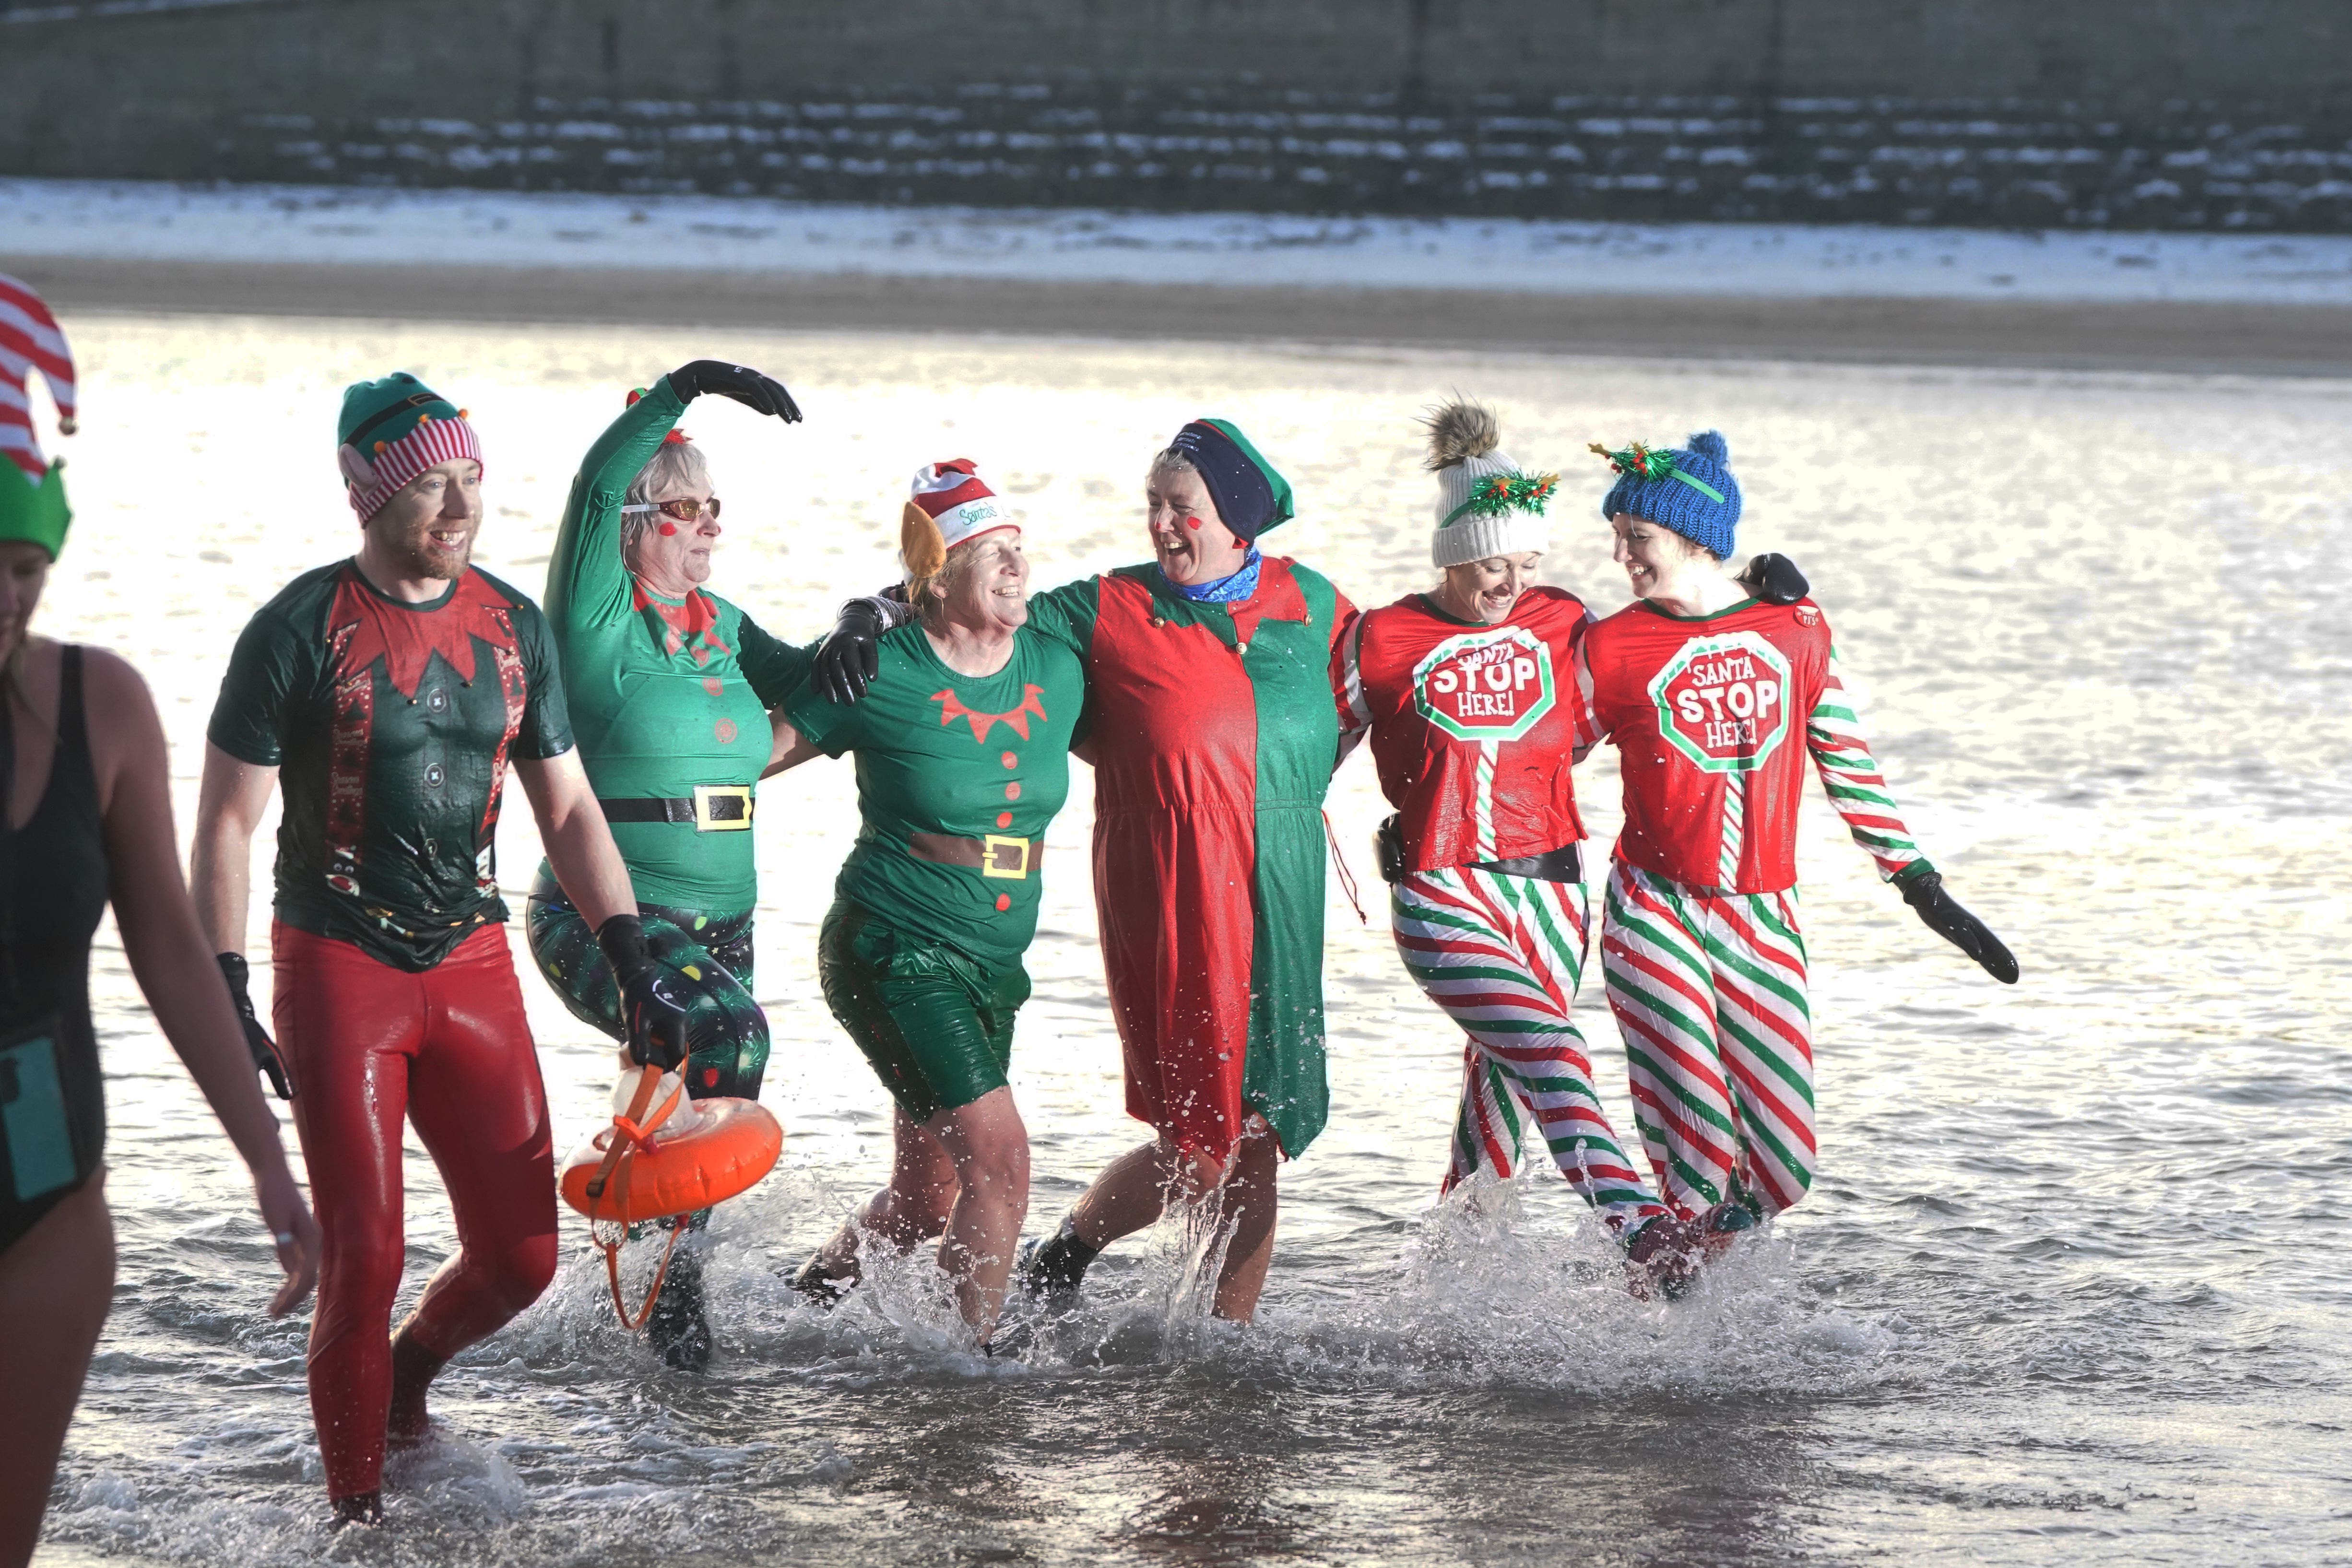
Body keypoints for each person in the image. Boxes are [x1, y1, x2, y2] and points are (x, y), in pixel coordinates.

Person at [190, 373, 687, 1526]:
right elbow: (224, 822)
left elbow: (566, 810)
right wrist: (224, 984)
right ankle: (355, 1520)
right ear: (367, 498)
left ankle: (408, 1376)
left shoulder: (515, 627)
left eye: (470, 478)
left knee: (522, 1259)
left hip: (469, 966)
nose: (458, 505)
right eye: (429, 485)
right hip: (338, 967)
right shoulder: (295, 630)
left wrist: (628, 950)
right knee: (364, 1260)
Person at [1336, 401, 1815, 1293]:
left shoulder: (1565, 621)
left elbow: (1674, 639)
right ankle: (1639, 1229)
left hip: (1554, 896)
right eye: (1491, 564)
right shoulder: (1381, 639)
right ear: (1452, 551)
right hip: (1442, 895)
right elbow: (1300, 764)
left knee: (1502, 1100)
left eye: (1527, 563)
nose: (1510, 584)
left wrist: (1760, 590)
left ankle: (1448, 1300)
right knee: (1554, 1052)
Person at [0, 275, 318, 1568]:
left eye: (25, 569)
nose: (6, 598)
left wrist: (268, 1165)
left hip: (49, 1187)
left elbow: (175, 954)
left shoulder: (104, 706)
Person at [1578, 431, 2016, 1271]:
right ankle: (1673, 1328)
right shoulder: (1612, 647)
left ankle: (1678, 1291)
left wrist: (1919, 884)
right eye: (1619, 535)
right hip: (1652, 910)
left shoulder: (1799, 629)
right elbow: (1540, 754)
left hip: (1764, 916)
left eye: (1638, 536)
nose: (1620, 555)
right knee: (1699, 1144)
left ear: (1697, 539)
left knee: (1784, 1165)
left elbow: (1846, 759)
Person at [982, 419, 1355, 1324]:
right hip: (1169, 885)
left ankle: (1226, 1347)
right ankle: (1069, 1248)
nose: (1161, 525)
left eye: (1179, 508)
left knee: (1259, 1135)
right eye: (1153, 506)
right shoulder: (1105, 608)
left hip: (1283, 885)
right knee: (1198, 1141)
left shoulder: (1318, 604)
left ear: (1234, 519)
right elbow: (989, 631)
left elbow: (1374, 696)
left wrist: (1273, 796)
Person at [527, 360, 809, 1369]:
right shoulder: (594, 621)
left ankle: (640, 1292)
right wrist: (684, 388)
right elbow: (594, 483)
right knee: (724, 1037)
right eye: (685, 507)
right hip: (601, 912)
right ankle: (672, 1289)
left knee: (683, 1090)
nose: (708, 527)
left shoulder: (724, 627)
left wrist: (880, 626)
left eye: (714, 508)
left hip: (725, 918)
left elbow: (817, 685)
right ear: (638, 524)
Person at [783, 461, 1084, 1349]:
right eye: (988, 551)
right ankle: (967, 1368)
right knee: (1002, 1163)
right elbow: (744, 755)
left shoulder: (1057, 648)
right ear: (941, 571)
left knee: (928, 1197)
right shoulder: (883, 666)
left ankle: (807, 1301)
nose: (1015, 567)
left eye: (1017, 547)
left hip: (994, 959)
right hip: (894, 944)